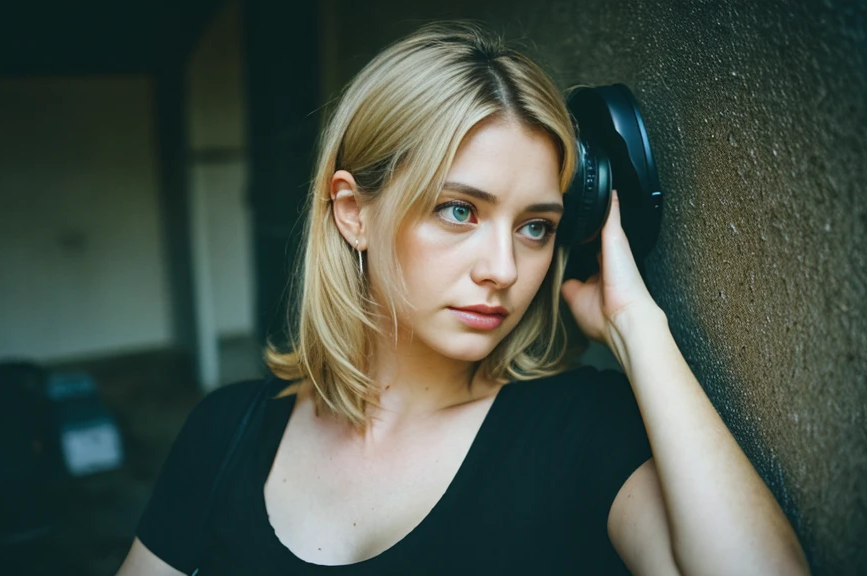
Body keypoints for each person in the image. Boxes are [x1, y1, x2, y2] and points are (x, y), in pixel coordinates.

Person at [116, 21, 810, 575]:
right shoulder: (227, 432)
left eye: (536, 226)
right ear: (353, 212)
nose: (504, 268)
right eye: (458, 211)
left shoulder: (580, 435)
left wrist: (637, 326)